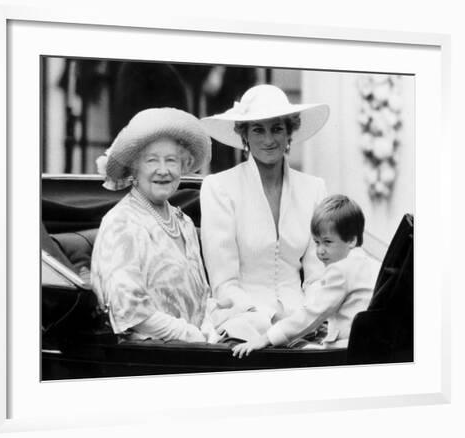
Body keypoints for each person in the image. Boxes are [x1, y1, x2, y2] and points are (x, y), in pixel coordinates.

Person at [199, 84, 331, 341]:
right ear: (244, 135)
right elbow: (224, 283)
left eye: (277, 128)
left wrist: (305, 318)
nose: (269, 140)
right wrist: (264, 320)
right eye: (258, 129)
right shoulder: (219, 187)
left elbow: (319, 276)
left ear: (289, 133)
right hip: (241, 320)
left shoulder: (314, 188)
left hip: (303, 322)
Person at [91, 107, 216, 343]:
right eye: (151, 160)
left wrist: (209, 328)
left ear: (183, 166)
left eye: (171, 160)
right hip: (150, 356)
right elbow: (129, 310)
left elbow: (202, 295)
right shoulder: (121, 223)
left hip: (197, 351)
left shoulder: (184, 222)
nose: (163, 170)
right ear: (134, 170)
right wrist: (189, 335)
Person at [232, 195, 380, 357]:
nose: (320, 251)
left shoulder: (341, 270)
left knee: (291, 350)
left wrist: (267, 337)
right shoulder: (371, 264)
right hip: (370, 346)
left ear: (351, 240)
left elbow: (313, 314)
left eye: (327, 242)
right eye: (316, 242)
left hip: (345, 350)